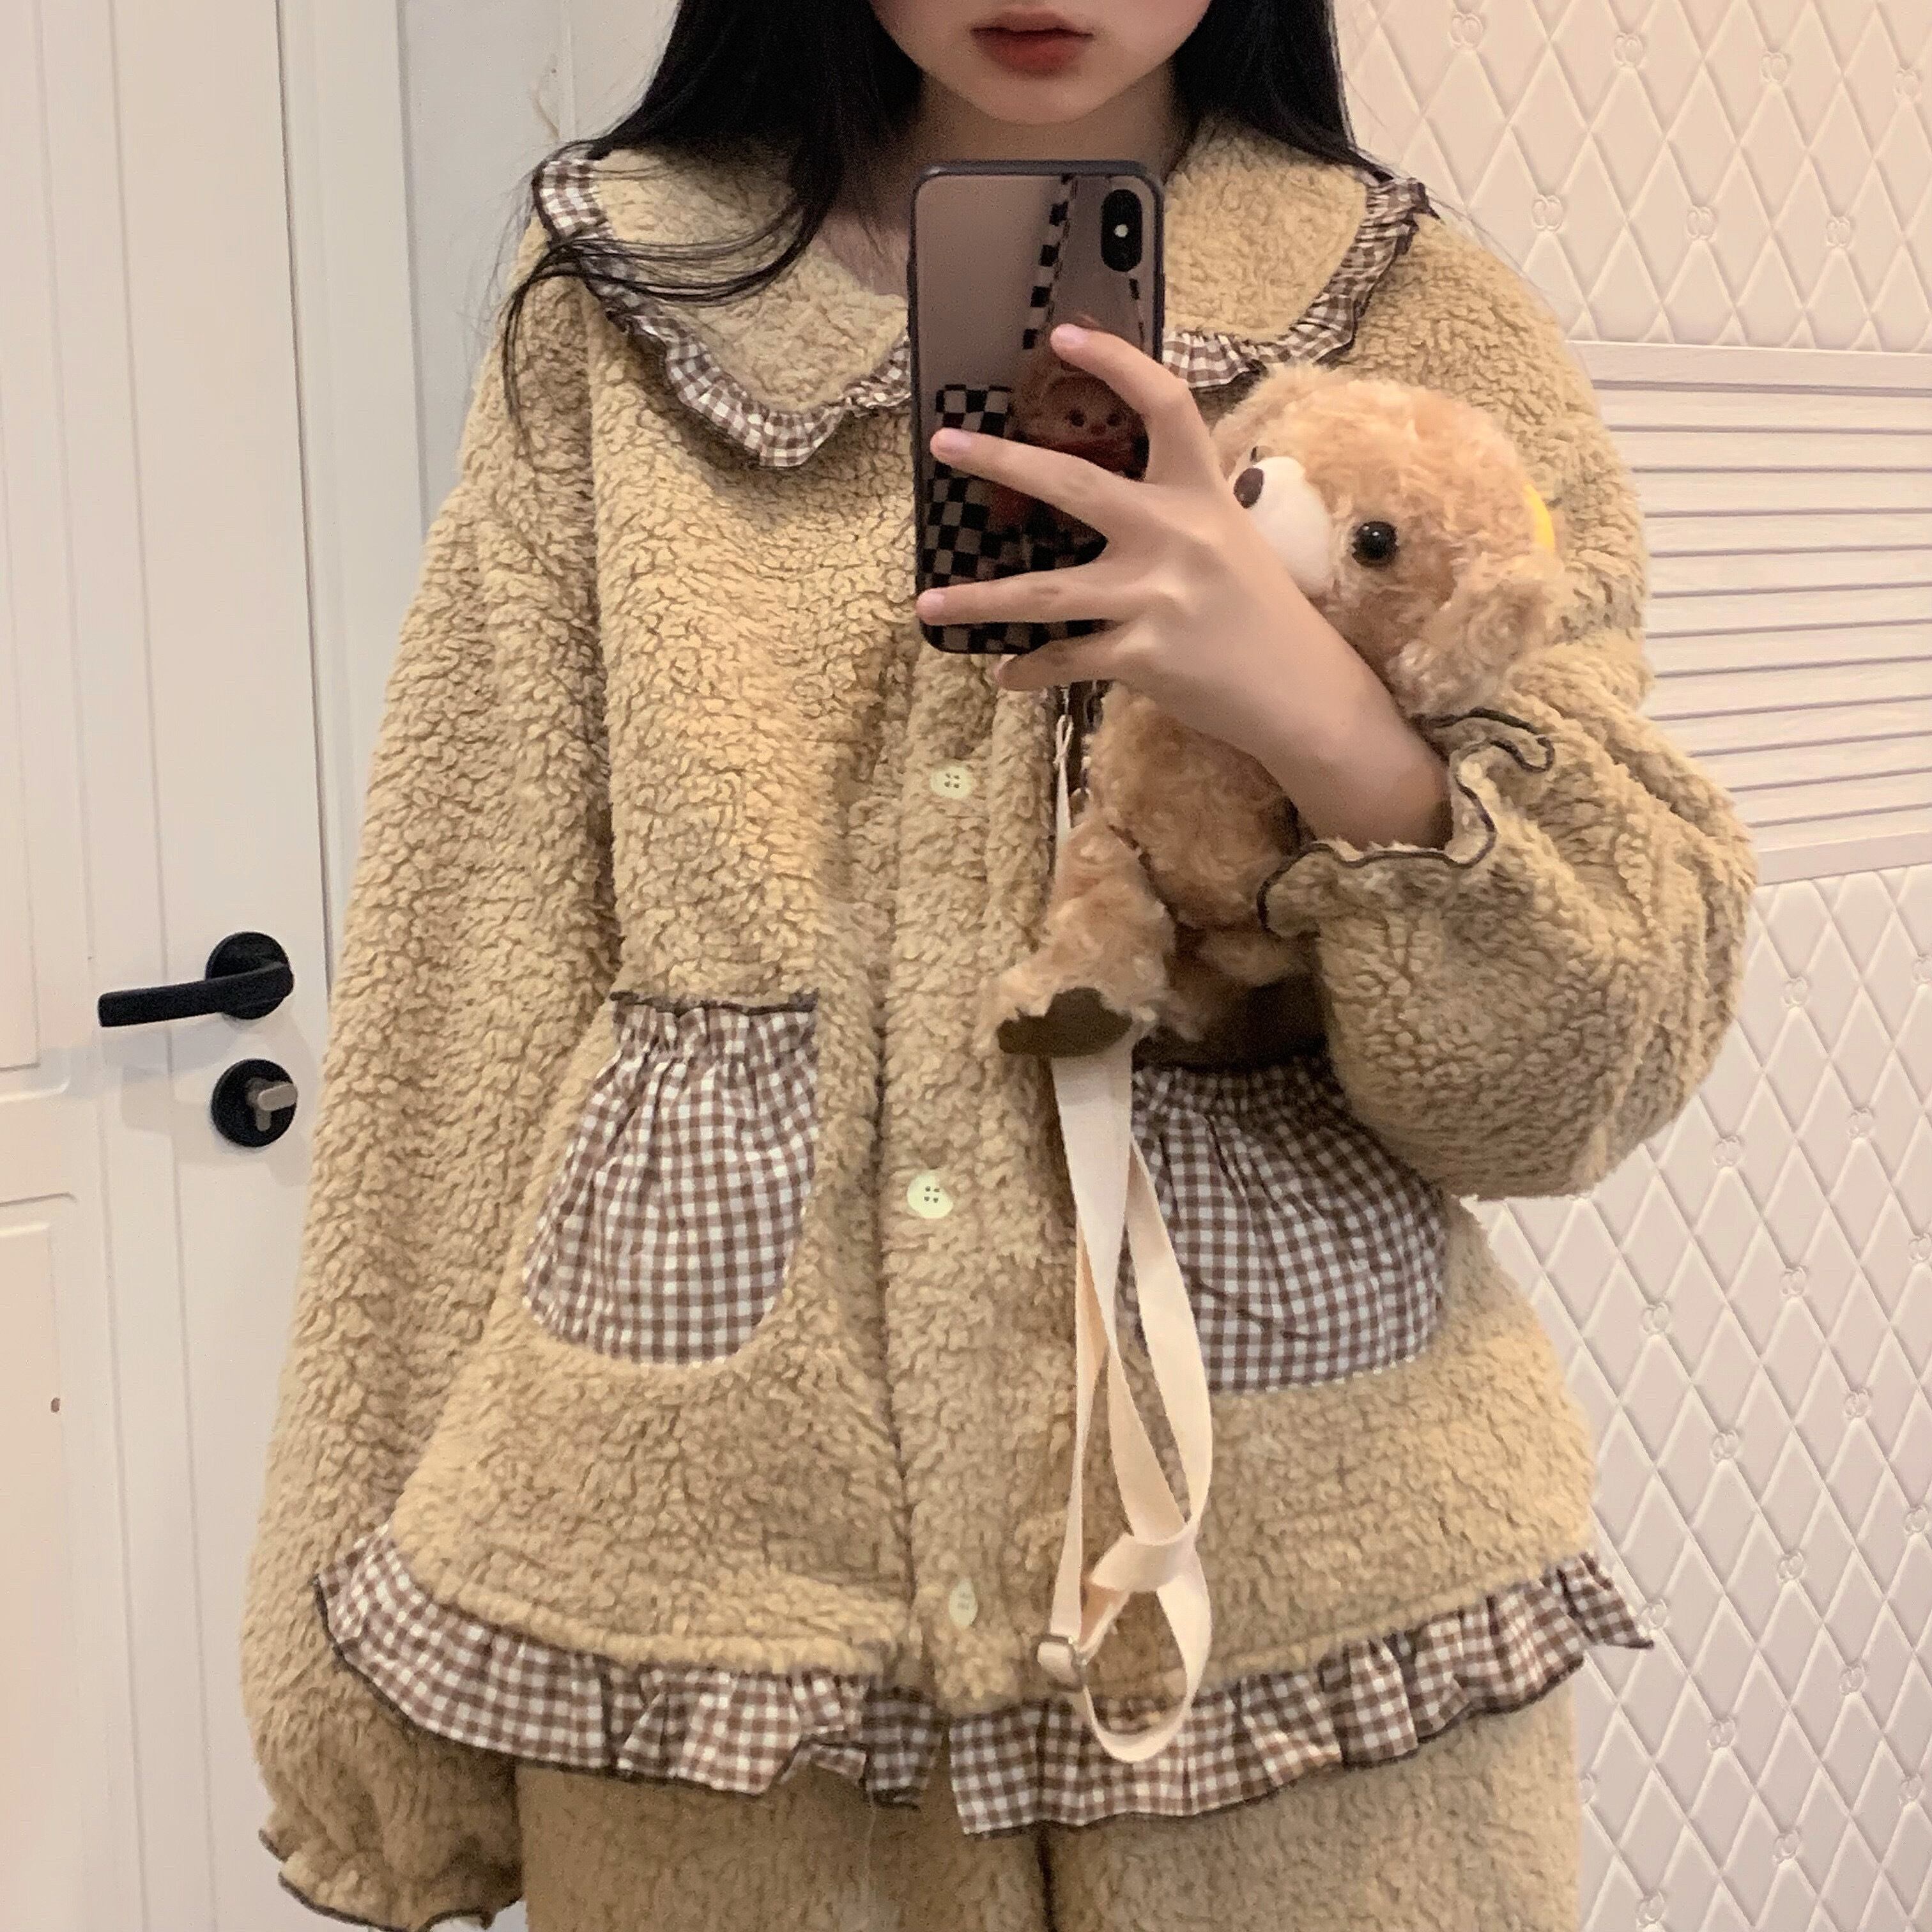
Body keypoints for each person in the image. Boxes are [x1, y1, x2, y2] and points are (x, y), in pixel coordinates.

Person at [241, 4, 1756, 1929]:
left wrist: (1318, 718)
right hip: (722, 1642)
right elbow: (470, 960)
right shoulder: (630, 306)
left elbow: (1581, 1068)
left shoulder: (1415, 323)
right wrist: (366, 1699)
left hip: (1304, 1636)